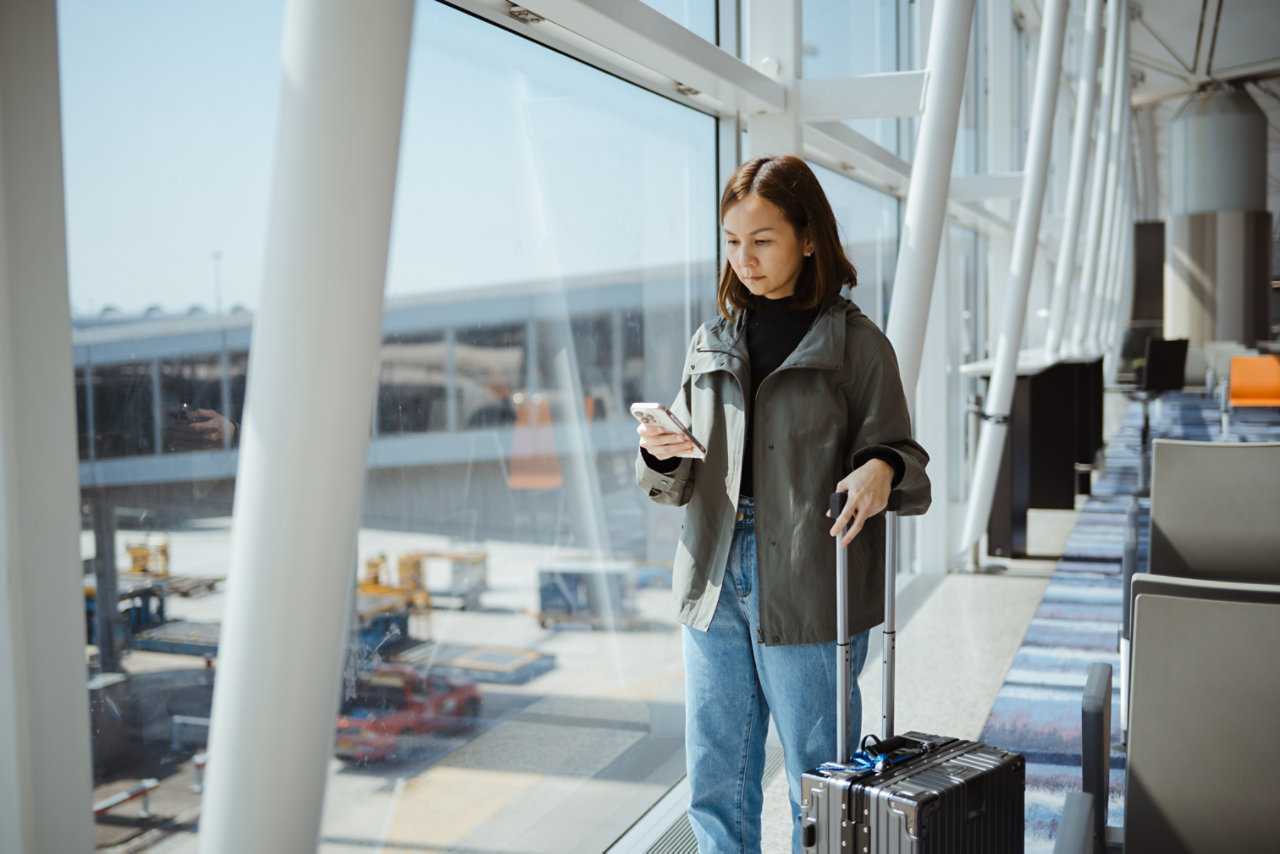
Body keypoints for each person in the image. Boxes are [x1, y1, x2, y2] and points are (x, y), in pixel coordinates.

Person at [635, 154, 930, 854]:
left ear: (807, 237)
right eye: (732, 242)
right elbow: (675, 479)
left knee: (819, 784)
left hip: (809, 576)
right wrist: (658, 450)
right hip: (712, 579)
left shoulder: (856, 345)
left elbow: (904, 458)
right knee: (716, 779)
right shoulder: (714, 340)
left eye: (761, 240)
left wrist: (881, 466)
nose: (745, 259)